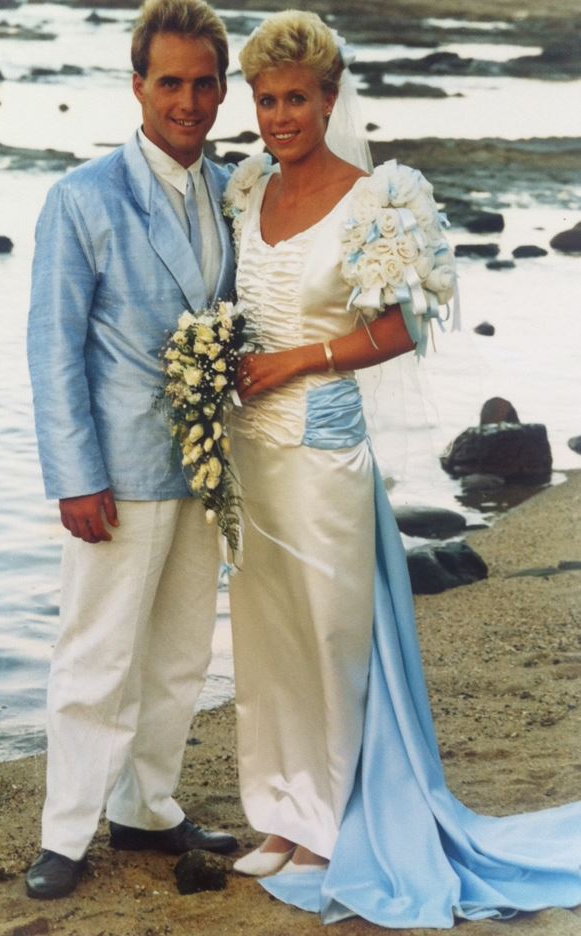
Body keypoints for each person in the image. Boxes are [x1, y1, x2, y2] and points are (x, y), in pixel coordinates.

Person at [223, 10, 581, 928]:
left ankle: (338, 820)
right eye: (265, 100)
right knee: (269, 639)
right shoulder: (246, 188)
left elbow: (401, 328)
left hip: (324, 455)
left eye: (294, 99)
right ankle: (282, 810)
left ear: (330, 98)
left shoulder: (374, 198)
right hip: (252, 457)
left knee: (335, 638)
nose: (277, 118)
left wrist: (298, 361)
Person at [25, 0, 238, 900]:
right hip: (117, 473)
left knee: (181, 652)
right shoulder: (84, 198)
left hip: (207, 468)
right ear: (137, 85)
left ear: (223, 88)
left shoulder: (238, 191)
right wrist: (76, 476)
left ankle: (146, 807)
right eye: (170, 83)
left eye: (203, 83)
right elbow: (52, 346)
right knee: (96, 656)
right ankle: (65, 833)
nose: (186, 101)